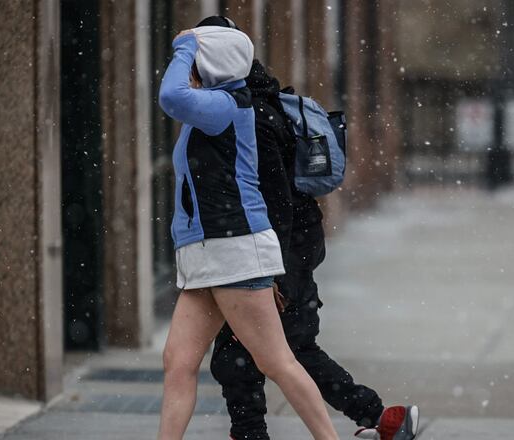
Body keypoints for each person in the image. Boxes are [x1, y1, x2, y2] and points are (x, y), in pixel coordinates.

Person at [206, 31, 420, 440]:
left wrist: (272, 274)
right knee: (286, 347)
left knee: (248, 352)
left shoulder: (254, 116)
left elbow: (276, 204)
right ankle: (381, 418)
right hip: (293, 247)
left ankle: (256, 432)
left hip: (281, 251)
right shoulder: (259, 103)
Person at [156, 17, 339, 440]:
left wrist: (186, 45)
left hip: (234, 250)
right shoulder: (214, 109)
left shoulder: (226, 105)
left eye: (196, 61)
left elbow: (170, 94)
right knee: (177, 362)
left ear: (211, 64)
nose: (187, 69)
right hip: (207, 254)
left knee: (276, 361)